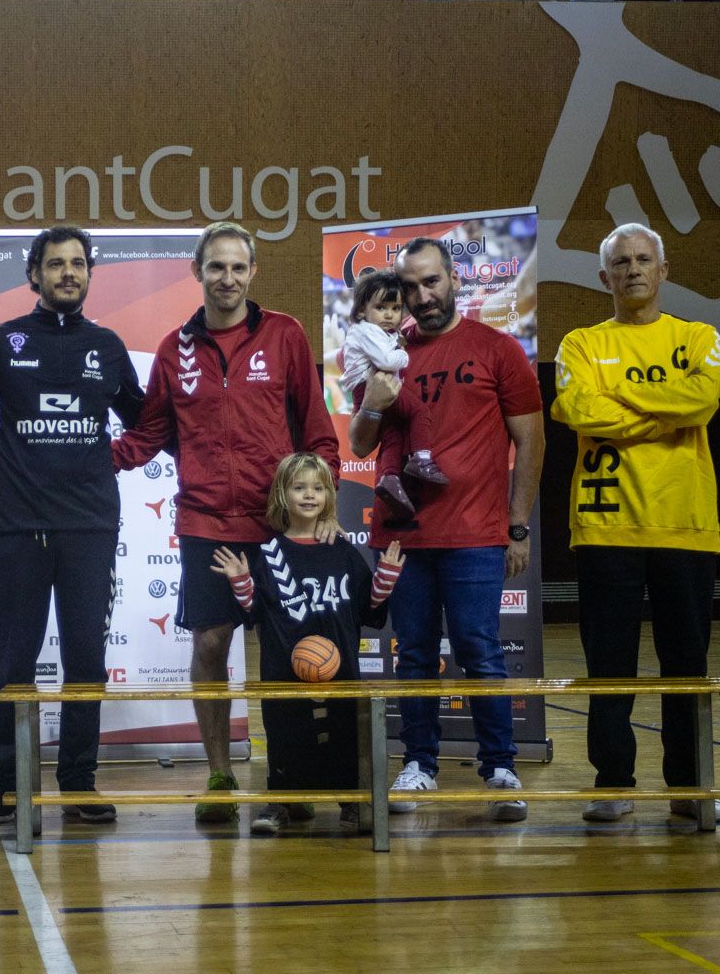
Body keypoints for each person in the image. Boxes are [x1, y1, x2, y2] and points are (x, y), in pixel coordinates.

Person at [112, 221, 341, 822]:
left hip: (278, 525)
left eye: (239, 267)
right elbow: (149, 434)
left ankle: (291, 779)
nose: (228, 278)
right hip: (207, 523)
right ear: (198, 271)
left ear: (253, 272)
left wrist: (323, 508)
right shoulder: (175, 349)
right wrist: (84, 462)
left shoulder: (285, 335)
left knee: (289, 655)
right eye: (217, 266)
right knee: (211, 643)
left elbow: (317, 431)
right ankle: (219, 775)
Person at [349, 236, 544, 822]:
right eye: (410, 286)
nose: (422, 295)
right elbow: (360, 443)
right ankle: (419, 764)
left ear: (455, 279)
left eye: (431, 281)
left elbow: (530, 440)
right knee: (411, 655)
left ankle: (500, 766)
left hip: (475, 534)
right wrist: (374, 402)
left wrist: (517, 525)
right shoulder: (385, 350)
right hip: (402, 536)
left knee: (479, 650)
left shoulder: (497, 348)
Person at [550, 222, 720, 825]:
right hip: (606, 528)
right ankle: (612, 782)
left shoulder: (699, 336)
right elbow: (579, 409)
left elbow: (703, 400)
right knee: (609, 665)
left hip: (685, 524)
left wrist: (622, 404)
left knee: (687, 666)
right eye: (622, 262)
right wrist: (667, 417)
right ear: (605, 277)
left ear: (663, 270)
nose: (633, 269)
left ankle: (691, 787)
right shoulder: (580, 344)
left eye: (644, 259)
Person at [0, 225, 145, 826]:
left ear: (90, 273)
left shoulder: (108, 346)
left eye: (77, 263)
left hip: (89, 529)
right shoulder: (0, 343)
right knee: (14, 665)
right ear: (34, 274)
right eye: (55, 264)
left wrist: (117, 456)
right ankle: (12, 785)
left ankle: (79, 783)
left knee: (86, 662)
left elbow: (148, 421)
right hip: (16, 528)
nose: (68, 273)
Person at [212, 453, 403, 834]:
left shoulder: (342, 551)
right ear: (282, 495)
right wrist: (241, 581)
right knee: (286, 734)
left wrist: (386, 578)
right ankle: (280, 801)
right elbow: (255, 611)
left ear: (329, 495)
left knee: (345, 734)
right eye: (299, 487)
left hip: (340, 668)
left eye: (317, 488)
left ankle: (352, 801)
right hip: (284, 669)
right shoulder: (269, 554)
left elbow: (368, 608)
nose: (309, 495)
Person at [338, 269, 446, 519]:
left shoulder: (379, 331)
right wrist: (403, 354)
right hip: (374, 385)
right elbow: (388, 361)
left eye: (395, 308)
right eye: (381, 308)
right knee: (419, 411)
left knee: (393, 432)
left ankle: (389, 478)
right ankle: (422, 459)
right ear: (362, 310)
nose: (389, 314)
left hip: (369, 386)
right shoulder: (367, 330)